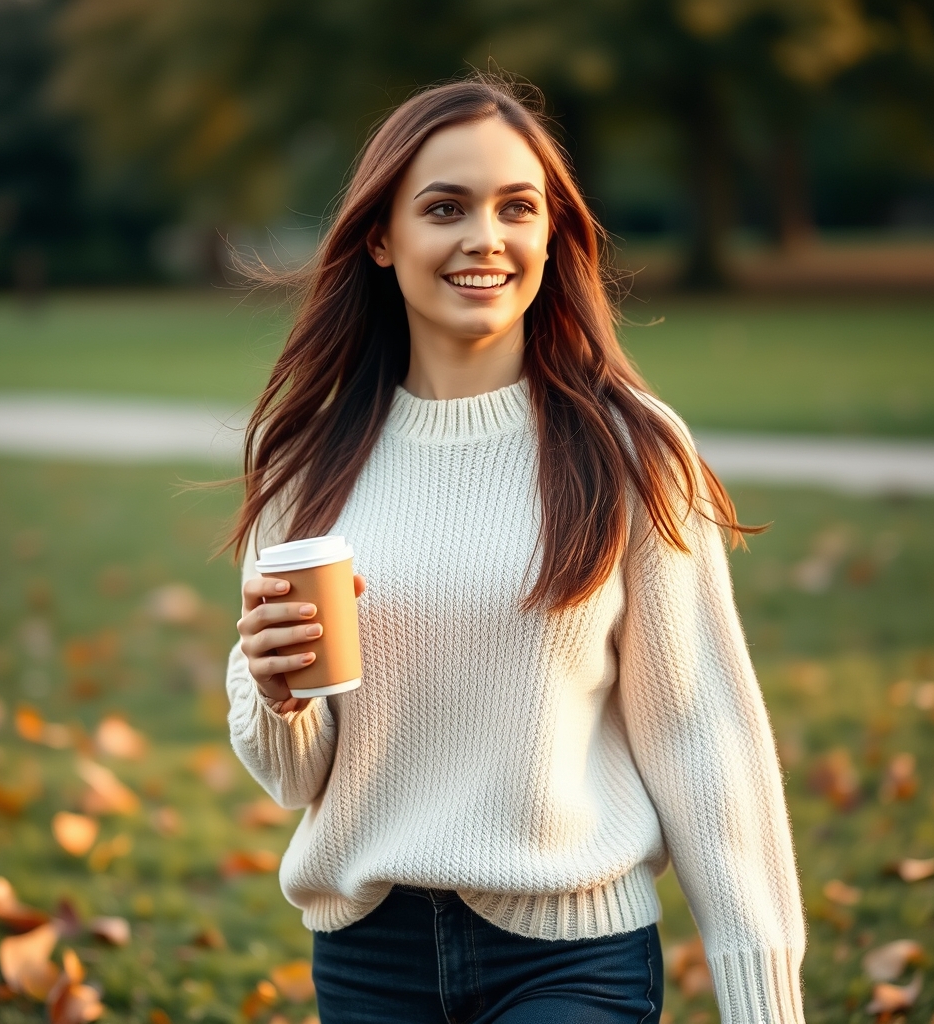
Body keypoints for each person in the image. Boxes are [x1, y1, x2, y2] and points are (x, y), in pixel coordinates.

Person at [225, 74, 806, 1024]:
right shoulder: (310, 460)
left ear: (549, 235)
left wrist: (762, 996)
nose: (484, 238)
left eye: (516, 207)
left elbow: (703, 733)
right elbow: (297, 775)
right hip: (368, 957)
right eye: (444, 208)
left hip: (573, 957)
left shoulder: (629, 449)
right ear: (382, 237)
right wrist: (274, 692)